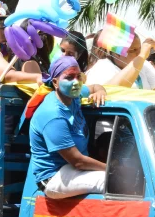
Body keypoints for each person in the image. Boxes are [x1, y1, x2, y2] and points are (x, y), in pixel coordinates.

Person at [30, 56, 107, 199]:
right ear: (55, 82)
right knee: (111, 182)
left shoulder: (73, 95)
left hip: (74, 169)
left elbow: (94, 87)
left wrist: (101, 91)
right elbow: (78, 161)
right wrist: (112, 170)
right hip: (53, 177)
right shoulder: (53, 114)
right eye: (69, 77)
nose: (76, 82)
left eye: (79, 76)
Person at [85, 30, 155, 93]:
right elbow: (113, 91)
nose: (138, 53)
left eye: (140, 49)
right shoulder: (102, 67)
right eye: (133, 50)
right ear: (116, 52)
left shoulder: (144, 64)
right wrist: (142, 56)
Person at [0, 1, 42, 84]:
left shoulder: (1, 48)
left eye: (8, 23)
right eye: (1, 24)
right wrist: (39, 77)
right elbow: (8, 75)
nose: (6, 28)